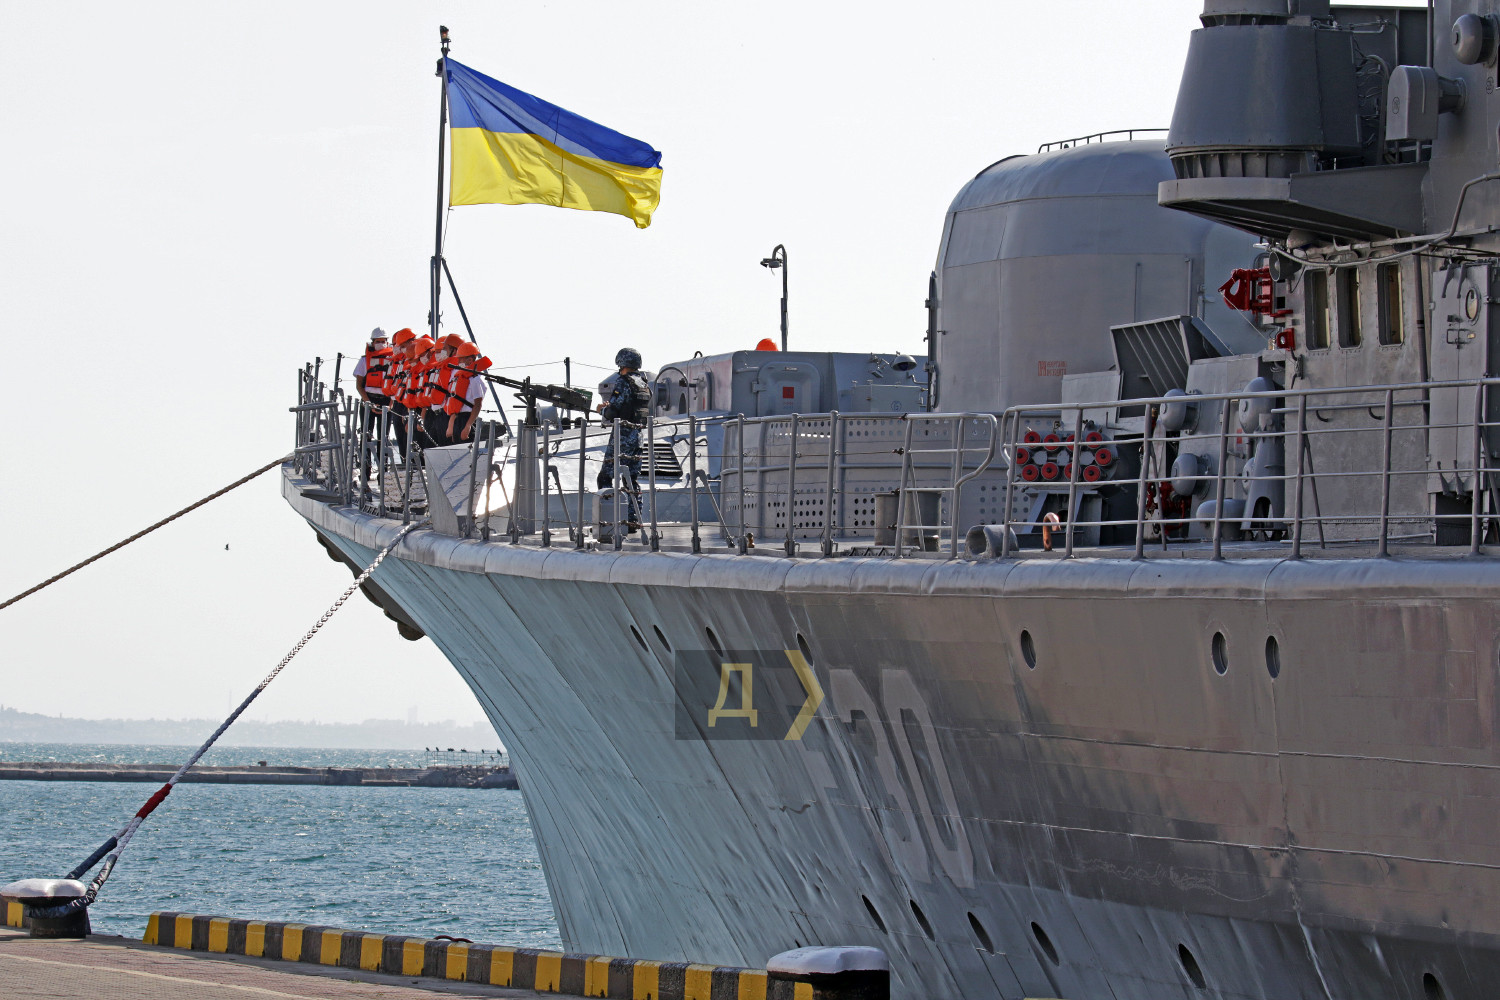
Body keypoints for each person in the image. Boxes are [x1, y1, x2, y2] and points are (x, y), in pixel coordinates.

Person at [598, 347, 651, 529]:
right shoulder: (643, 383)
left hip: (622, 436)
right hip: (638, 437)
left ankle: (607, 521)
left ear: (621, 364)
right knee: (631, 480)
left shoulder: (623, 382)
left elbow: (613, 412)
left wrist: (602, 409)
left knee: (605, 477)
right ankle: (633, 520)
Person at [352, 329, 393, 476]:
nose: (381, 344)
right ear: (372, 342)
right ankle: (365, 470)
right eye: (378, 341)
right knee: (366, 435)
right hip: (368, 400)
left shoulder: (393, 360)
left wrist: (391, 404)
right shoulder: (364, 361)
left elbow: (397, 384)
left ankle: (383, 471)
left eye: (383, 341)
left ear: (387, 342)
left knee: (384, 437)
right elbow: (359, 385)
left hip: (387, 401)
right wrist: (369, 403)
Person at [444, 342, 492, 442]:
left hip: (467, 418)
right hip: (458, 419)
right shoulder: (460, 377)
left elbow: (478, 404)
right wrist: (452, 425)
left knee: (466, 447)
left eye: (460, 358)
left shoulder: (475, 379)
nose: (458, 361)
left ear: (470, 360)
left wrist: (468, 426)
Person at [385, 328, 417, 461]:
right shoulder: (397, 361)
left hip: (409, 402)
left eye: (400, 345)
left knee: (409, 436)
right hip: (398, 402)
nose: (397, 348)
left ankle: (413, 465)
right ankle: (405, 462)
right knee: (400, 433)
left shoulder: (414, 357)